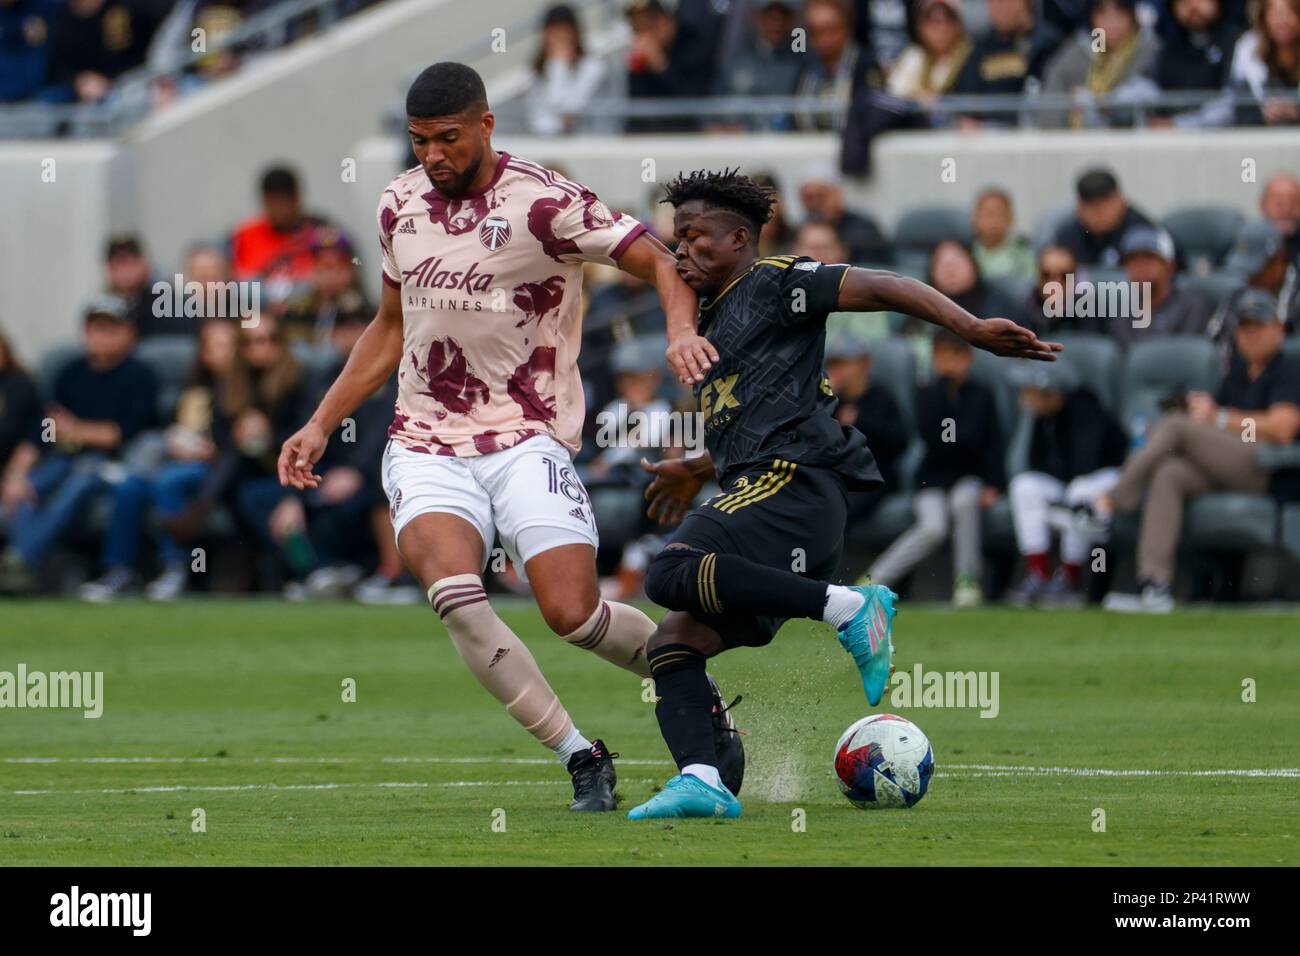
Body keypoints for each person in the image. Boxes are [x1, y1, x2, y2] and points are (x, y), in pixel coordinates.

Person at [277, 62, 722, 814]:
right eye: (420, 142)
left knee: (571, 614)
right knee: (456, 595)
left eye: (447, 139)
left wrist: (680, 328)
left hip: (526, 436)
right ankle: (581, 755)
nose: (433, 156)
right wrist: (321, 422)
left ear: (485, 123)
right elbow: (390, 327)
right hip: (424, 440)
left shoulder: (544, 201)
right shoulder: (398, 204)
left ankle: (693, 692)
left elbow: (658, 257)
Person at [626, 168, 1059, 819]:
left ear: (741, 236)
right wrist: (698, 464)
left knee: (669, 569)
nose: (682, 251)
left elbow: (886, 284)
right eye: (675, 239)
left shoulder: (775, 283)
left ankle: (851, 609)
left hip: (793, 488)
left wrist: (967, 326)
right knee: (672, 644)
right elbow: (759, 414)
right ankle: (704, 780)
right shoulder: (709, 314)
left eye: (696, 237)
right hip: (769, 501)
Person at [1097, 289, 1300, 612]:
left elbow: (1283, 427)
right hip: (1227, 464)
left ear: (1278, 328)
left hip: (1268, 465)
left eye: (1259, 326)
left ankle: (1109, 501)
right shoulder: (1237, 372)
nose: (1250, 334)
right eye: (1244, 327)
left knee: (1177, 426)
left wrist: (1218, 418)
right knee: (1170, 473)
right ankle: (1156, 584)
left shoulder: (1288, 367)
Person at [0, 296, 158, 591]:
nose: (102, 335)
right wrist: (16, 474)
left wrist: (75, 430)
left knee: (80, 480)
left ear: (129, 334)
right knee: (29, 487)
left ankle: (21, 558)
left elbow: (123, 433)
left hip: (113, 463)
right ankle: (20, 566)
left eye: (111, 328)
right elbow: (44, 430)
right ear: (85, 333)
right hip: (63, 456)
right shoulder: (69, 372)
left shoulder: (140, 375)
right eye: (96, 328)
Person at [79, 316, 239, 601]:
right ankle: (120, 570)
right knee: (130, 485)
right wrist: (176, 440)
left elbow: (238, 446)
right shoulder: (195, 388)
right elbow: (175, 427)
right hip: (178, 459)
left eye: (226, 345)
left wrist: (211, 450)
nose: (220, 352)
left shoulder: (245, 389)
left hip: (216, 469)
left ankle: (175, 567)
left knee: (168, 481)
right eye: (212, 345)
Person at [868, 331, 1004, 606]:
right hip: (933, 478)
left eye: (954, 357)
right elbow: (934, 436)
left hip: (969, 476)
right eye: (940, 358)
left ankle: (967, 580)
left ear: (967, 358)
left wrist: (994, 484)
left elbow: (990, 442)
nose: (947, 365)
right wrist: (944, 392)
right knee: (933, 527)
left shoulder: (982, 395)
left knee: (965, 502)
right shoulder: (928, 394)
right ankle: (874, 580)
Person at [1004, 359, 1127, 608]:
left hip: (1108, 477)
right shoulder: (1043, 416)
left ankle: (1070, 579)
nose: (1025, 398)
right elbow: (1036, 463)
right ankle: (1038, 573)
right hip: (1069, 480)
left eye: (1031, 392)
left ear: (1050, 393)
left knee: (1078, 492)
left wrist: (1056, 511)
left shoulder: (1084, 405)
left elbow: (1086, 462)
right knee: (1024, 485)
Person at [1040, 0, 1162, 129]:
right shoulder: (1082, 49)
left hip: (1137, 143)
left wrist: (1095, 102)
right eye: (1103, 15)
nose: (1111, 24)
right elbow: (1051, 107)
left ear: (1132, 16)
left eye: (1119, 14)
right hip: (1082, 143)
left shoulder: (1149, 49)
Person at [1112, 225, 1214, 347]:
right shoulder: (1121, 313)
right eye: (1132, 260)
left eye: (1149, 258)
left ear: (1169, 266)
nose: (1140, 267)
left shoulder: (1192, 306)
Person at [525, 3, 607, 136]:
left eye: (565, 31)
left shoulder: (592, 66)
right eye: (554, 32)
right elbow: (535, 114)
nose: (559, 38)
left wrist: (559, 66)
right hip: (543, 142)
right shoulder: (536, 68)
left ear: (575, 34)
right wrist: (556, 65)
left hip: (580, 142)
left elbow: (572, 109)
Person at [1051, 167, 1154, 268]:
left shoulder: (1145, 234)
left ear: (1120, 199)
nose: (1098, 213)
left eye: (1105, 204)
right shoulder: (1068, 237)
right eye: (1090, 205)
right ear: (1079, 207)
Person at [797, 165, 892, 264]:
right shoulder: (798, 229)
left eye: (821, 196)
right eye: (808, 197)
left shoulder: (863, 231)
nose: (815, 203)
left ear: (838, 195)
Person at [886, 0, 973, 106]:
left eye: (948, 19)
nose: (941, 28)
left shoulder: (970, 56)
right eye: (932, 20)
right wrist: (917, 96)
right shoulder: (914, 55)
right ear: (921, 27)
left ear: (958, 25)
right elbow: (894, 91)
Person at [1229, 0, 1300, 125]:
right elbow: (1237, 105)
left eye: (1291, 11)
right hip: (1260, 138)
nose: (1283, 20)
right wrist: (1264, 114)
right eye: (1275, 12)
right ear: (1263, 15)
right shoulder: (1248, 49)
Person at [970, 187, 1035, 283]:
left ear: (1011, 218)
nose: (994, 221)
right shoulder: (967, 253)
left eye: (1000, 214)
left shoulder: (1023, 251)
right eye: (989, 215)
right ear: (975, 219)